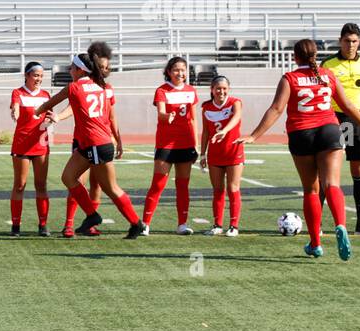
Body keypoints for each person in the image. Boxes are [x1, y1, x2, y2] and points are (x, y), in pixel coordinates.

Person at [239, 39, 360, 259]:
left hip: (301, 133)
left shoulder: (290, 78)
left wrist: (254, 135)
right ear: (316, 55)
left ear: (295, 57)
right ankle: (341, 225)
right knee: (332, 183)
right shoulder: (328, 75)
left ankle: (315, 243)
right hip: (329, 130)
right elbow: (347, 106)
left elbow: (276, 109)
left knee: (311, 190)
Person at [35, 42, 146, 239]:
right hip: (95, 143)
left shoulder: (74, 87)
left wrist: (36, 112)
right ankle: (92, 216)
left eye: (72, 67)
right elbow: (103, 115)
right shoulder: (100, 87)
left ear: (79, 69)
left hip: (95, 144)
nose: (70, 70)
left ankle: (136, 223)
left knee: (110, 188)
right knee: (68, 177)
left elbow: (50, 103)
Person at [323, 23, 360, 235]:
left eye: (355, 41)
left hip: (356, 121)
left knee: (358, 170)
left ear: (359, 42)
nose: (351, 45)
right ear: (340, 41)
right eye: (347, 41)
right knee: (325, 171)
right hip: (332, 119)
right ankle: (317, 224)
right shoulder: (328, 64)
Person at [141, 57, 202, 235]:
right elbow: (160, 113)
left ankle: (182, 224)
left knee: (183, 185)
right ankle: (145, 224)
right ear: (169, 71)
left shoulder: (191, 91)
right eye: (176, 69)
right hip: (166, 144)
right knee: (158, 185)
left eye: (183, 70)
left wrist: (196, 144)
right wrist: (167, 116)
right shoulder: (162, 90)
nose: (180, 73)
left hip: (185, 143)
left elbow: (193, 119)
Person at [9, 61, 52, 236]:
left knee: (41, 185)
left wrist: (50, 121)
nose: (39, 79)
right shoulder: (18, 92)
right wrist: (15, 112)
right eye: (35, 75)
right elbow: (16, 107)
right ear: (26, 76)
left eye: (41, 76)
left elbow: (49, 115)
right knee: (20, 185)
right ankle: (16, 226)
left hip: (41, 144)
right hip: (22, 145)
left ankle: (43, 226)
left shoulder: (46, 94)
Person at [199, 76, 243, 237]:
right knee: (217, 190)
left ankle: (234, 226)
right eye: (218, 88)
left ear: (228, 89)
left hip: (233, 152)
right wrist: (202, 153)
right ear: (212, 89)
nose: (221, 91)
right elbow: (205, 132)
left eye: (224, 88)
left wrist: (224, 131)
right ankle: (217, 224)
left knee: (233, 188)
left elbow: (236, 117)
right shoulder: (206, 107)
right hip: (215, 154)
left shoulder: (234, 103)